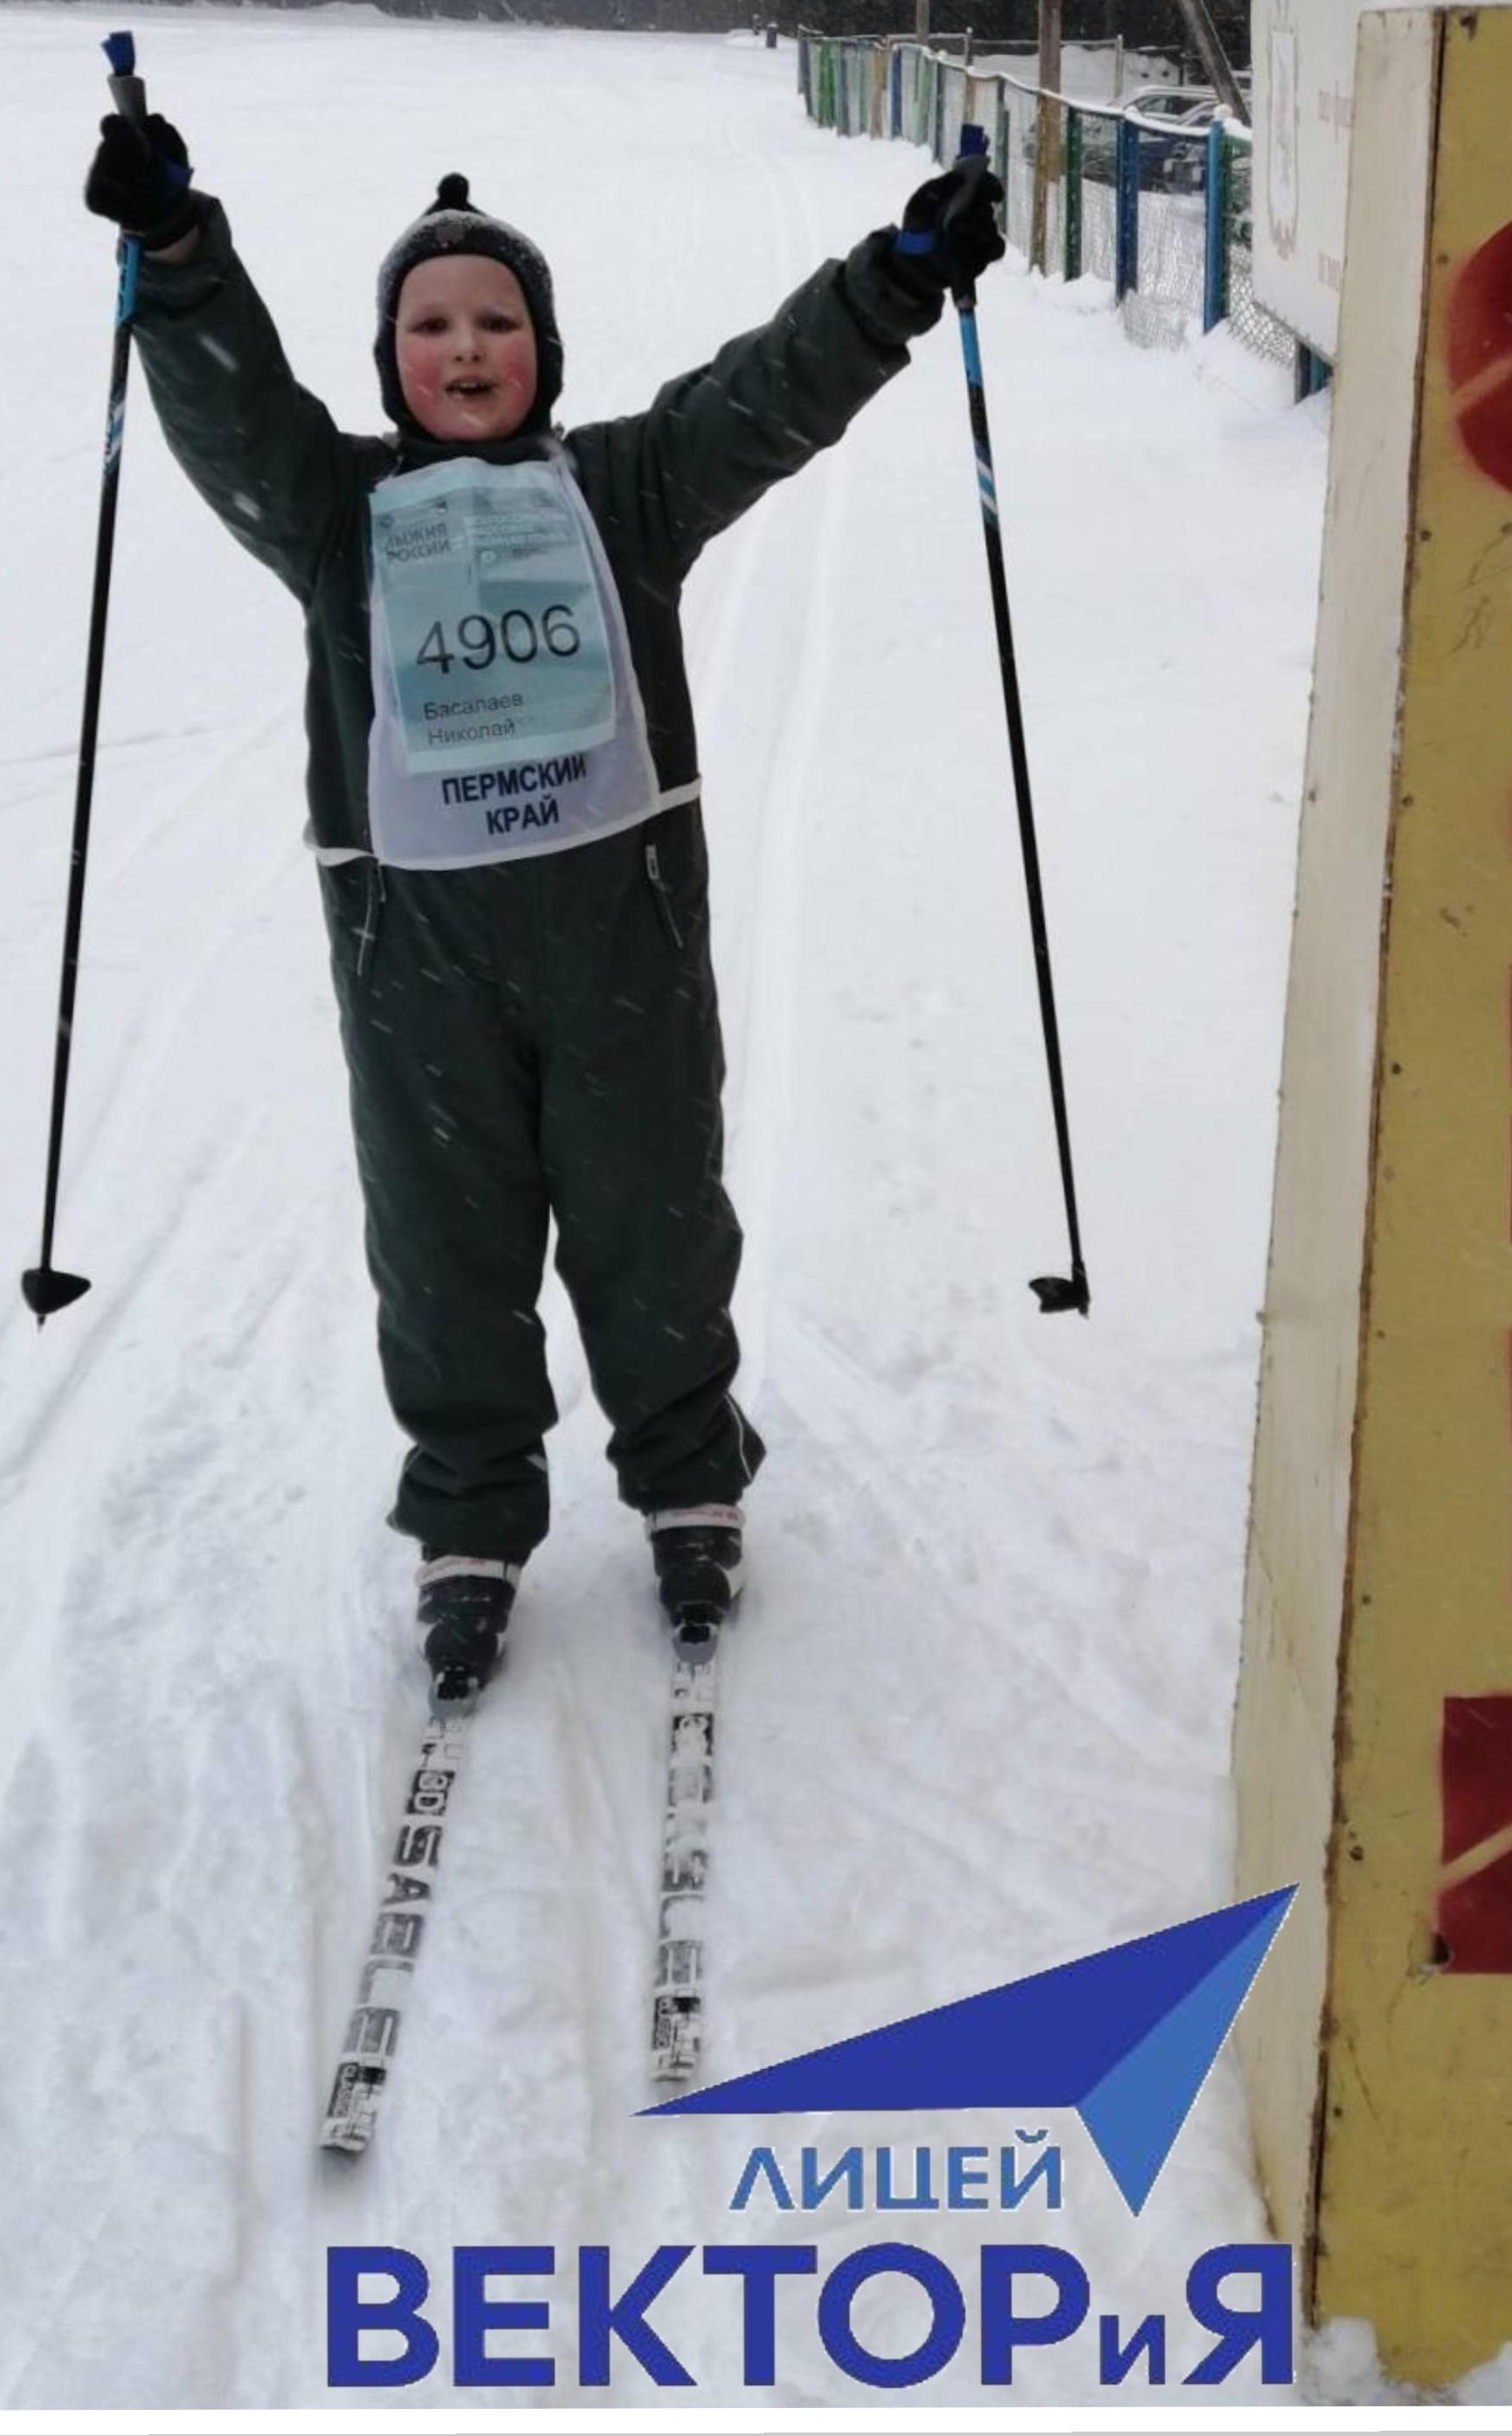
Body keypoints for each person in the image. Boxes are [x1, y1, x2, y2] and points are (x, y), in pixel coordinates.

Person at [82, 107, 1005, 1695]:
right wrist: (178, 258)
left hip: (618, 937)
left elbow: (760, 398)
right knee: (445, 1249)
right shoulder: (339, 516)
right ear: (389, 358)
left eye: (495, 320)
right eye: (431, 323)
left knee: (653, 1222)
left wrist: (892, 284)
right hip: (414, 956)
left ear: (543, 348)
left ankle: (688, 1477)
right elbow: (232, 423)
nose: (464, 346)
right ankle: (469, 1516)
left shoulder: (620, 493)